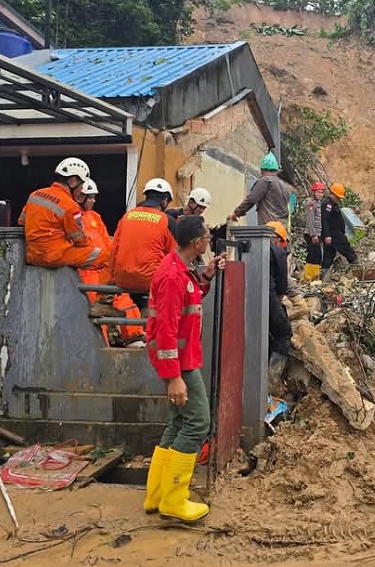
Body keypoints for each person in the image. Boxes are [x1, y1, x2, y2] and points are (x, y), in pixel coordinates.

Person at [142, 215, 225, 522]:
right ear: (195, 242)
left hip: (181, 358)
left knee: (177, 423)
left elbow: (190, 300)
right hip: (179, 362)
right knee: (197, 424)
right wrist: (174, 377)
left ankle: (156, 495)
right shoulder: (173, 277)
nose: (209, 240)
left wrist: (206, 275)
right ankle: (175, 499)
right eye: (206, 236)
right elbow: (165, 330)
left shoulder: (181, 271)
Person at [79, 181, 145, 346]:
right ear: (81, 197)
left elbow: (108, 245)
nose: (93, 201)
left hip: (104, 269)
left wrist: (114, 263)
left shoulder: (95, 217)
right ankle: (100, 345)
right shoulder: (73, 216)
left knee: (123, 300)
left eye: (94, 197)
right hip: (87, 272)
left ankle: (134, 336)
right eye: (91, 197)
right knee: (95, 311)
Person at [18, 157, 103, 270]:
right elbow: (80, 240)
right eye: (81, 186)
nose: (81, 191)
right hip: (53, 256)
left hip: (32, 255)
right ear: (73, 181)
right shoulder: (70, 205)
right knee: (101, 255)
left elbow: (21, 221)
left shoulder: (35, 194)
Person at [111, 178, 178, 295]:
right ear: (164, 201)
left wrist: (112, 278)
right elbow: (175, 256)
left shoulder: (127, 216)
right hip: (151, 281)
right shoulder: (167, 221)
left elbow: (113, 250)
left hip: (122, 279)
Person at [229, 152, 290, 227]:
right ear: (276, 171)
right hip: (282, 229)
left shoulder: (265, 181)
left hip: (269, 228)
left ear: (262, 170)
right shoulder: (283, 186)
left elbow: (251, 199)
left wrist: (237, 213)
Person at [266, 221, 293, 383]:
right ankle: (272, 379)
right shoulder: (277, 252)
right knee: (283, 333)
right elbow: (282, 288)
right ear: (276, 239)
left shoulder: (250, 246)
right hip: (269, 296)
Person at [321, 183, 357, 273]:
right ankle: (357, 267)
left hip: (335, 233)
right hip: (333, 234)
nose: (339, 199)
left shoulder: (333, 204)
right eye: (337, 197)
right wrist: (327, 235)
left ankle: (324, 273)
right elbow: (324, 220)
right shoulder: (327, 204)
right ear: (332, 194)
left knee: (329, 254)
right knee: (347, 250)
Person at [302, 182, 325, 281]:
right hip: (311, 234)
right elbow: (310, 220)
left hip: (317, 233)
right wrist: (313, 235)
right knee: (313, 255)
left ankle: (313, 277)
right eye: (318, 192)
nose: (320, 194)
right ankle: (308, 277)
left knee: (316, 255)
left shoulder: (318, 203)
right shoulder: (311, 203)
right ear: (314, 192)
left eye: (322, 192)